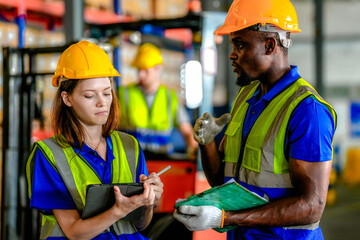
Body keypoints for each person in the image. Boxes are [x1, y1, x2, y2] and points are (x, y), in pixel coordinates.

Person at [173, 0, 337, 239]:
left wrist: (225, 218)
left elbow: (311, 207)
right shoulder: (246, 96)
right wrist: (207, 143)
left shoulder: (307, 111)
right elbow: (223, 180)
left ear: (270, 45)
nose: (232, 55)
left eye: (240, 44)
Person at [26, 40, 163, 240]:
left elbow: (140, 224)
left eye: (107, 93)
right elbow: (74, 231)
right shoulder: (50, 155)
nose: (102, 103)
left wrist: (148, 202)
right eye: (90, 96)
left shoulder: (129, 146)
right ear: (67, 99)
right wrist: (118, 210)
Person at [118, 43, 198, 159]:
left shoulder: (169, 97)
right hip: (130, 160)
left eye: (145, 71)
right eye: (139, 70)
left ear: (158, 69)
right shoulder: (123, 93)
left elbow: (187, 132)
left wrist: (193, 154)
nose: (141, 75)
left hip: (162, 162)